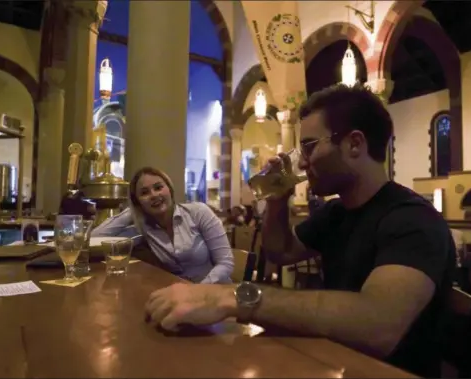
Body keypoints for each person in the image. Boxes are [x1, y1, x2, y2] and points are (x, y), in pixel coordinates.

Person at [143, 84, 455, 378]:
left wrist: (234, 297)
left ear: (355, 144)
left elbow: (378, 324)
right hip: (331, 362)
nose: (302, 163)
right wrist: (279, 200)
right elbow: (281, 252)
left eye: (308, 146)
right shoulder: (336, 212)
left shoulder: (413, 219)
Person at [92, 167, 233, 284]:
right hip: (181, 297)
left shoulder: (198, 212)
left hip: (216, 293)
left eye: (158, 187)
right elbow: (95, 237)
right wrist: (132, 211)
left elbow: (226, 263)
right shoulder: (142, 229)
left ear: (169, 189)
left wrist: (197, 290)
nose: (153, 195)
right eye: (144, 193)